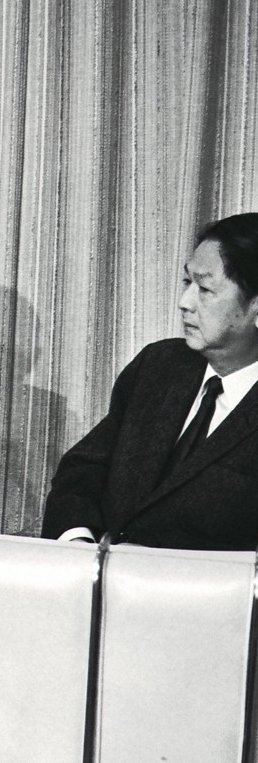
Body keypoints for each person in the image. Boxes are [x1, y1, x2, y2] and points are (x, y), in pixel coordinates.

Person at [43, 213, 258, 550]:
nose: (184, 303)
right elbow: (82, 471)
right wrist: (80, 547)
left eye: (205, 289)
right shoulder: (160, 366)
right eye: (186, 283)